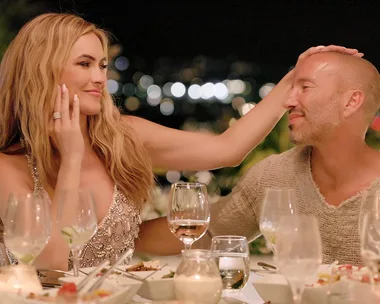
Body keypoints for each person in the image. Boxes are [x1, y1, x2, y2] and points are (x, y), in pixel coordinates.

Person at [0, 12, 362, 270]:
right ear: (43, 69)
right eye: (84, 64)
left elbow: (227, 150)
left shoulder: (121, 136)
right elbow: (51, 269)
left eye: (103, 65)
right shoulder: (9, 165)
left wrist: (292, 79)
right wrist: (73, 160)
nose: (99, 77)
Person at [206, 50, 380, 266]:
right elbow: (205, 234)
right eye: (292, 88)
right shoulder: (274, 176)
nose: (288, 101)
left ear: (351, 102)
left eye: (305, 87)